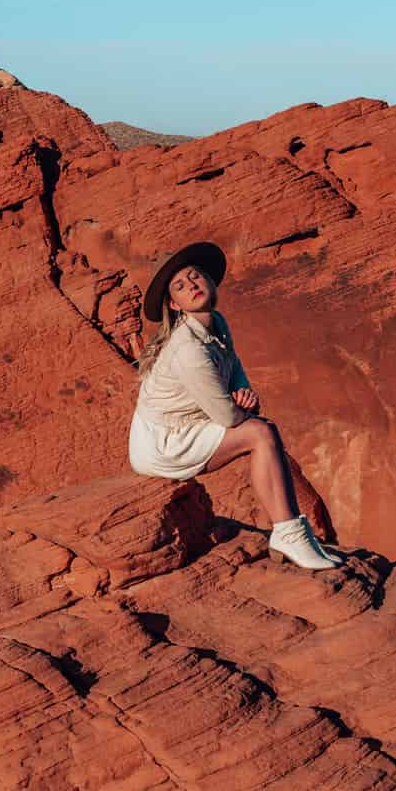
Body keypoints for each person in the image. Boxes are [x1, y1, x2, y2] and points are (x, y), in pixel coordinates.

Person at [128, 241, 342, 570]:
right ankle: (289, 533)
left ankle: (290, 533)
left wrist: (244, 393)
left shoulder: (216, 323)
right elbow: (227, 416)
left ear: (211, 282)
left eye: (196, 277)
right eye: (182, 286)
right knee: (260, 433)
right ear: (176, 304)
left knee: (261, 430)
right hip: (162, 443)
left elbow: (235, 368)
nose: (193, 286)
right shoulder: (188, 349)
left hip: (184, 426)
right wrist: (242, 408)